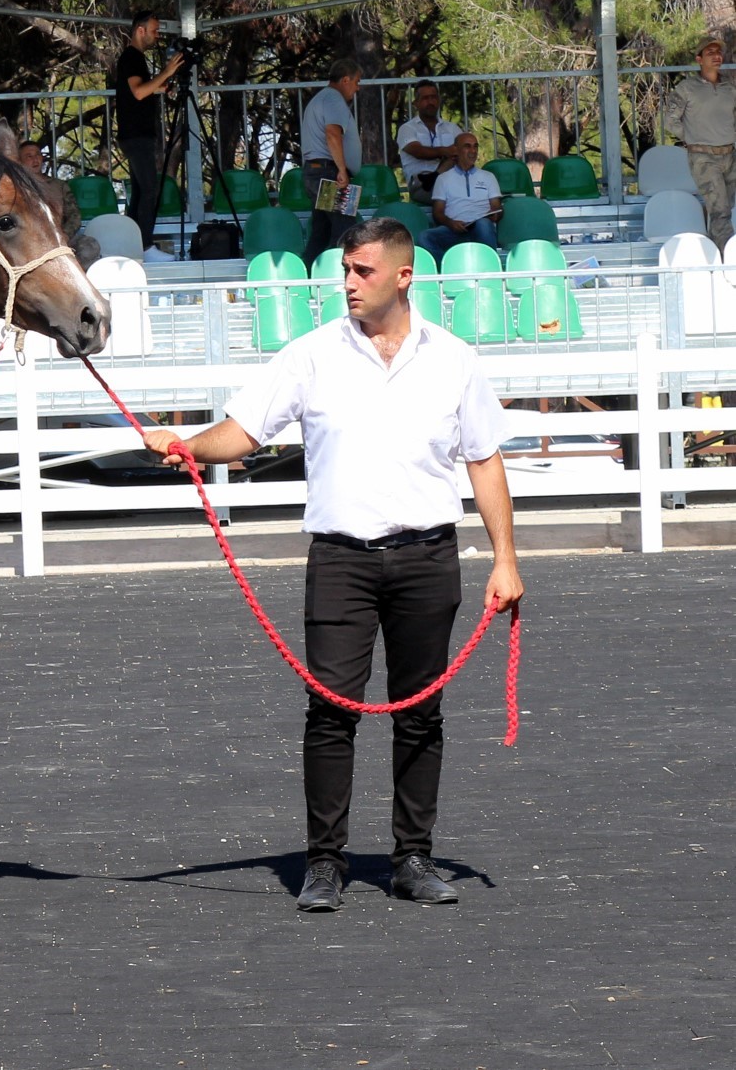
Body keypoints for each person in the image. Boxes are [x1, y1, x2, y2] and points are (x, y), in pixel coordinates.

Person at [142, 218, 523, 913]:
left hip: (429, 557)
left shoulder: (454, 360)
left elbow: (484, 459)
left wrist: (506, 560)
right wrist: (189, 446)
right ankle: (325, 862)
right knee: (330, 711)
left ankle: (412, 857)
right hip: (341, 559)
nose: (348, 283)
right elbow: (247, 431)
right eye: (345, 269)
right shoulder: (310, 355)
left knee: (421, 714)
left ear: (405, 277)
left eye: (363, 271)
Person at [114, 10, 183, 262]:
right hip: (135, 134)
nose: (157, 36)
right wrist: (165, 72)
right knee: (150, 189)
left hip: (138, 134)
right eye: (154, 30)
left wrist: (163, 84)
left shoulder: (136, 59)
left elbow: (146, 89)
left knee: (142, 192)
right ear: (140, 30)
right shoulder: (131, 57)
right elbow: (139, 92)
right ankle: (144, 247)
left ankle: (130, 245)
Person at [665, 36, 736, 252]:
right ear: (699, 59)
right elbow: (669, 120)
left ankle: (714, 256)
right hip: (704, 158)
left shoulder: (730, 87)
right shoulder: (687, 88)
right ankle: (728, 262)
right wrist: (692, 137)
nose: (716, 56)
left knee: (723, 208)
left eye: (719, 52)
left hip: (730, 155)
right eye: (710, 52)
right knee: (720, 210)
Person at [300, 58, 363, 268]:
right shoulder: (334, 99)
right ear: (346, 80)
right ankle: (340, 276)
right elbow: (333, 134)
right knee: (346, 228)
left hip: (320, 172)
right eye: (356, 81)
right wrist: (343, 170)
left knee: (322, 231)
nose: (357, 87)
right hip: (329, 173)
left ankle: (307, 273)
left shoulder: (321, 98)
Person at [419, 132, 503, 264]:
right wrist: (450, 223)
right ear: (456, 150)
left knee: (483, 225)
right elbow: (438, 212)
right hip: (453, 230)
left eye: (475, 146)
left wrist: (495, 214)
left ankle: (489, 270)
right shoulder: (443, 179)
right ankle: (451, 269)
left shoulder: (488, 177)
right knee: (424, 237)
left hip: (480, 228)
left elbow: (496, 206)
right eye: (467, 146)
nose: (473, 151)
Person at [17, 140, 100, 268]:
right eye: (29, 156)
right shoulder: (15, 188)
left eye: (38, 155)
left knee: (89, 246)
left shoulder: (59, 186)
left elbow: (74, 216)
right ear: (19, 161)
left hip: (60, 239)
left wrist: (64, 235)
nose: (35, 159)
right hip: (29, 242)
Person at [397, 80, 462, 206]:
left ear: (439, 100)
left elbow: (465, 151)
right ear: (415, 103)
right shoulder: (407, 129)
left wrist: (452, 153)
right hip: (421, 185)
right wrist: (445, 151)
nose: (430, 102)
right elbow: (418, 151)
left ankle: (436, 177)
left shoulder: (452, 128)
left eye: (434, 97)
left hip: (452, 181)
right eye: (425, 98)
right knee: (454, 194)